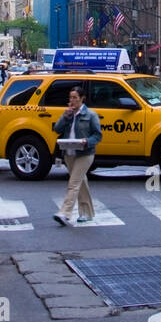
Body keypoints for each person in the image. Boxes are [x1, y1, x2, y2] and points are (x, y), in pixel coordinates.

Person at [52, 87, 102, 226]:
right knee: (81, 182)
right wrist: (65, 116)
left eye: (75, 97)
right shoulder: (68, 114)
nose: (72, 101)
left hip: (85, 153)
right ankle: (87, 213)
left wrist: (87, 142)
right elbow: (57, 129)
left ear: (82, 98)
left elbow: (97, 135)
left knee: (73, 183)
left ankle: (65, 212)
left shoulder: (90, 115)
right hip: (69, 153)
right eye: (70, 98)